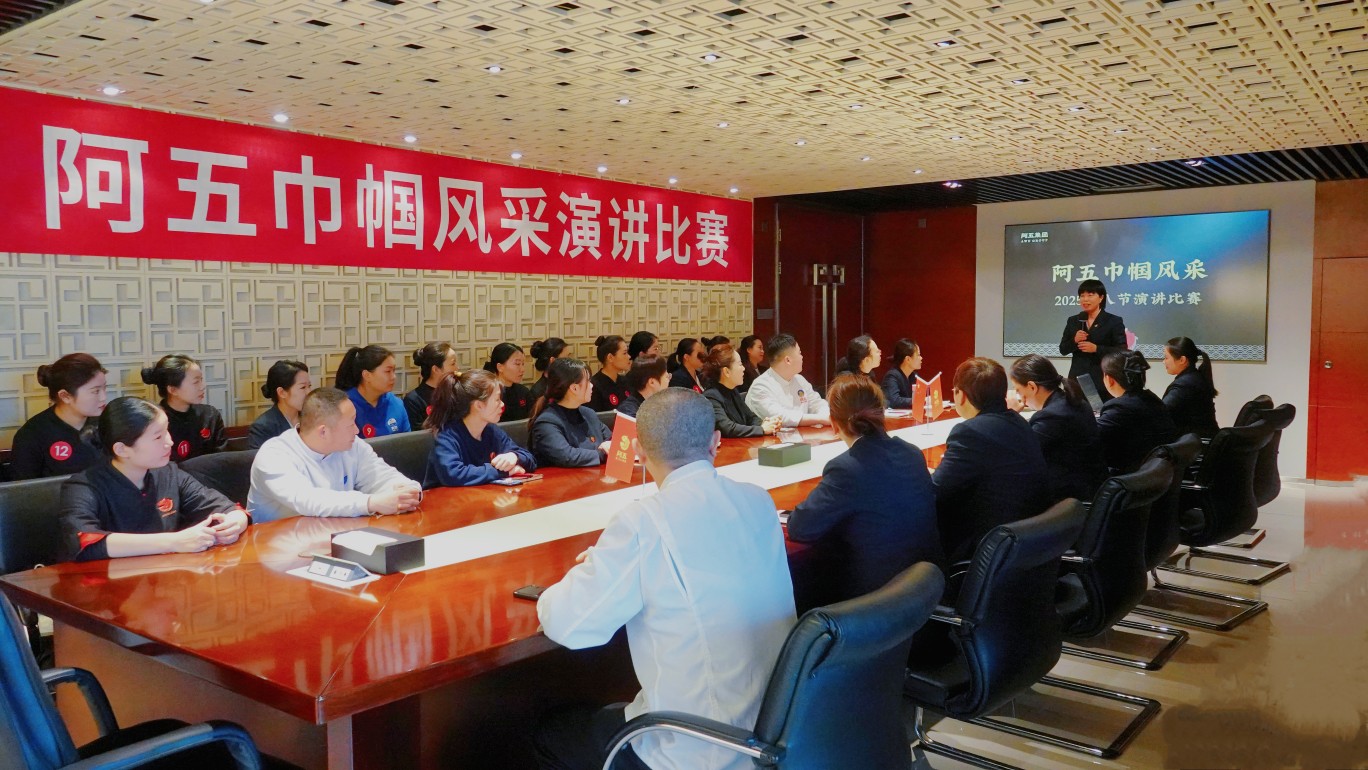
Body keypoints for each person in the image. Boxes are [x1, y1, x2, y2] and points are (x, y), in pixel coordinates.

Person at [533, 389, 796, 770]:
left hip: (698, 747)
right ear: (716, 442)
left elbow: (567, 625)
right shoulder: (758, 500)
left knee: (552, 732)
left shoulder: (642, 522)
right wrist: (617, 562)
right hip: (778, 733)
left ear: (639, 451)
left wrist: (596, 568)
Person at [786, 374, 941, 609]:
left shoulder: (846, 468)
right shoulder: (911, 453)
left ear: (834, 423)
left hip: (877, 601)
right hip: (923, 589)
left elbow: (800, 528)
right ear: (881, 414)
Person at [58, 397, 249, 562]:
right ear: (122, 449)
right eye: (158, 437)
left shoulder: (169, 473)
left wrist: (233, 523)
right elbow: (83, 542)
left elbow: (227, 507)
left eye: (167, 431)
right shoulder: (83, 487)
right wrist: (174, 541)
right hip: (109, 584)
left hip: (166, 577)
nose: (170, 442)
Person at [932, 357, 1049, 563]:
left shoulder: (970, 432)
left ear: (961, 395)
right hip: (1027, 540)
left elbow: (936, 491)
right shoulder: (1019, 422)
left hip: (990, 546)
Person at [247, 387, 422, 522]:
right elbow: (309, 500)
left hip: (333, 534)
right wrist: (371, 503)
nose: (357, 430)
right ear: (323, 432)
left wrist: (408, 491)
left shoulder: (352, 445)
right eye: (351, 424)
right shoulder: (274, 455)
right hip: (275, 546)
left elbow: (381, 475)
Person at [1009, 354, 1108, 504]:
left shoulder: (1051, 416)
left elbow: (1019, 453)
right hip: (1090, 488)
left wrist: (1010, 414)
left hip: (1071, 499)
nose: (1019, 396)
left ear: (1032, 387)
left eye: (1018, 389)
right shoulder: (1074, 402)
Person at [424, 371, 536, 487]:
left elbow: (530, 459)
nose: (502, 404)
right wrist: (503, 471)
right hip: (444, 497)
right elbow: (454, 475)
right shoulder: (446, 435)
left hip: (481, 494)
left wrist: (514, 457)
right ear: (479, 405)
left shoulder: (491, 430)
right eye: (497, 399)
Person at [10, 353, 108, 480]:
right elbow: (23, 488)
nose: (103, 397)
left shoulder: (108, 423)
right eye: (95, 391)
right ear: (65, 396)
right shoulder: (31, 435)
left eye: (105, 388)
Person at [1097, 350, 1179, 475]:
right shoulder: (1152, 399)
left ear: (1109, 379)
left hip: (1130, 478)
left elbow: (1091, 440)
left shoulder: (1119, 407)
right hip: (1157, 475)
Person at [529, 358, 613, 468]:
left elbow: (611, 439)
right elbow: (567, 456)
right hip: (562, 478)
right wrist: (602, 453)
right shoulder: (547, 422)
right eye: (588, 381)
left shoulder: (589, 414)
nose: (592, 385)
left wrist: (611, 446)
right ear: (574, 388)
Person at [141, 354, 226, 461]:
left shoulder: (210, 415)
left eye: (201, 379)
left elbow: (222, 459)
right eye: (196, 382)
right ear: (173, 390)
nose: (203, 386)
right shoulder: (154, 423)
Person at [1058, 278, 1127, 402]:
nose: (1085, 299)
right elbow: (1063, 349)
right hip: (1077, 380)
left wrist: (1097, 349)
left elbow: (1122, 351)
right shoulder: (1073, 320)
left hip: (1102, 379)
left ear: (1101, 298)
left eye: (1090, 295)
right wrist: (1074, 340)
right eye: (1082, 296)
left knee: (1100, 412)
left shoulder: (1113, 321)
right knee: (1075, 411)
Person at [745, 333, 830, 427]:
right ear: (788, 360)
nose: (802, 357)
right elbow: (780, 417)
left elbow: (817, 403)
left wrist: (826, 415)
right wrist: (820, 419)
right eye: (799, 353)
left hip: (803, 434)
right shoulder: (760, 386)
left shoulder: (799, 380)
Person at [701, 345, 779, 438]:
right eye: (740, 364)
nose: (743, 368)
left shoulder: (732, 390)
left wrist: (766, 424)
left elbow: (751, 417)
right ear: (726, 372)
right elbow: (727, 428)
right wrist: (761, 429)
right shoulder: (711, 396)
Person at [336, 344, 410, 437]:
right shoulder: (344, 406)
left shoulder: (396, 404)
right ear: (367, 375)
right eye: (388, 371)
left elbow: (407, 442)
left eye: (394, 371)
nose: (393, 377)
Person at [1162, 336, 1220, 438]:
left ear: (1182, 360)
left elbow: (1160, 413)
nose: (1164, 362)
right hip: (1200, 440)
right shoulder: (1194, 378)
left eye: (1166, 358)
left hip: (1196, 443)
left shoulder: (1184, 385)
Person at [247, 360, 311, 450]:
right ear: (282, 392)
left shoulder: (313, 418)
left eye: (309, 386)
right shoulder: (262, 428)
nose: (309, 392)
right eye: (303, 387)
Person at [405, 342, 458, 430]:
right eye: (453, 364)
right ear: (436, 369)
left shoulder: (457, 391)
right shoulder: (413, 400)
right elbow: (417, 435)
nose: (457, 368)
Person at [485, 342, 534, 422]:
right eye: (517, 364)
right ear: (500, 367)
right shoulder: (488, 394)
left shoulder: (524, 392)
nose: (522, 369)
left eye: (523, 364)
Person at [589, 335, 632, 412]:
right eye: (624, 353)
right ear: (610, 357)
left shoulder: (625, 381)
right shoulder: (594, 386)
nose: (629, 357)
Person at [617, 354, 668, 418]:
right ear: (652, 382)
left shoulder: (656, 404)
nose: (668, 380)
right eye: (667, 377)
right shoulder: (628, 411)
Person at [880, 338, 922, 409]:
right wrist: (916, 400)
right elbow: (893, 401)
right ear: (908, 359)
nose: (921, 358)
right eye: (918, 355)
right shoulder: (892, 376)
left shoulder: (914, 376)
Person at [529, 337, 568, 407]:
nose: (569, 362)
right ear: (552, 360)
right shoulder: (538, 391)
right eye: (565, 359)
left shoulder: (570, 382)